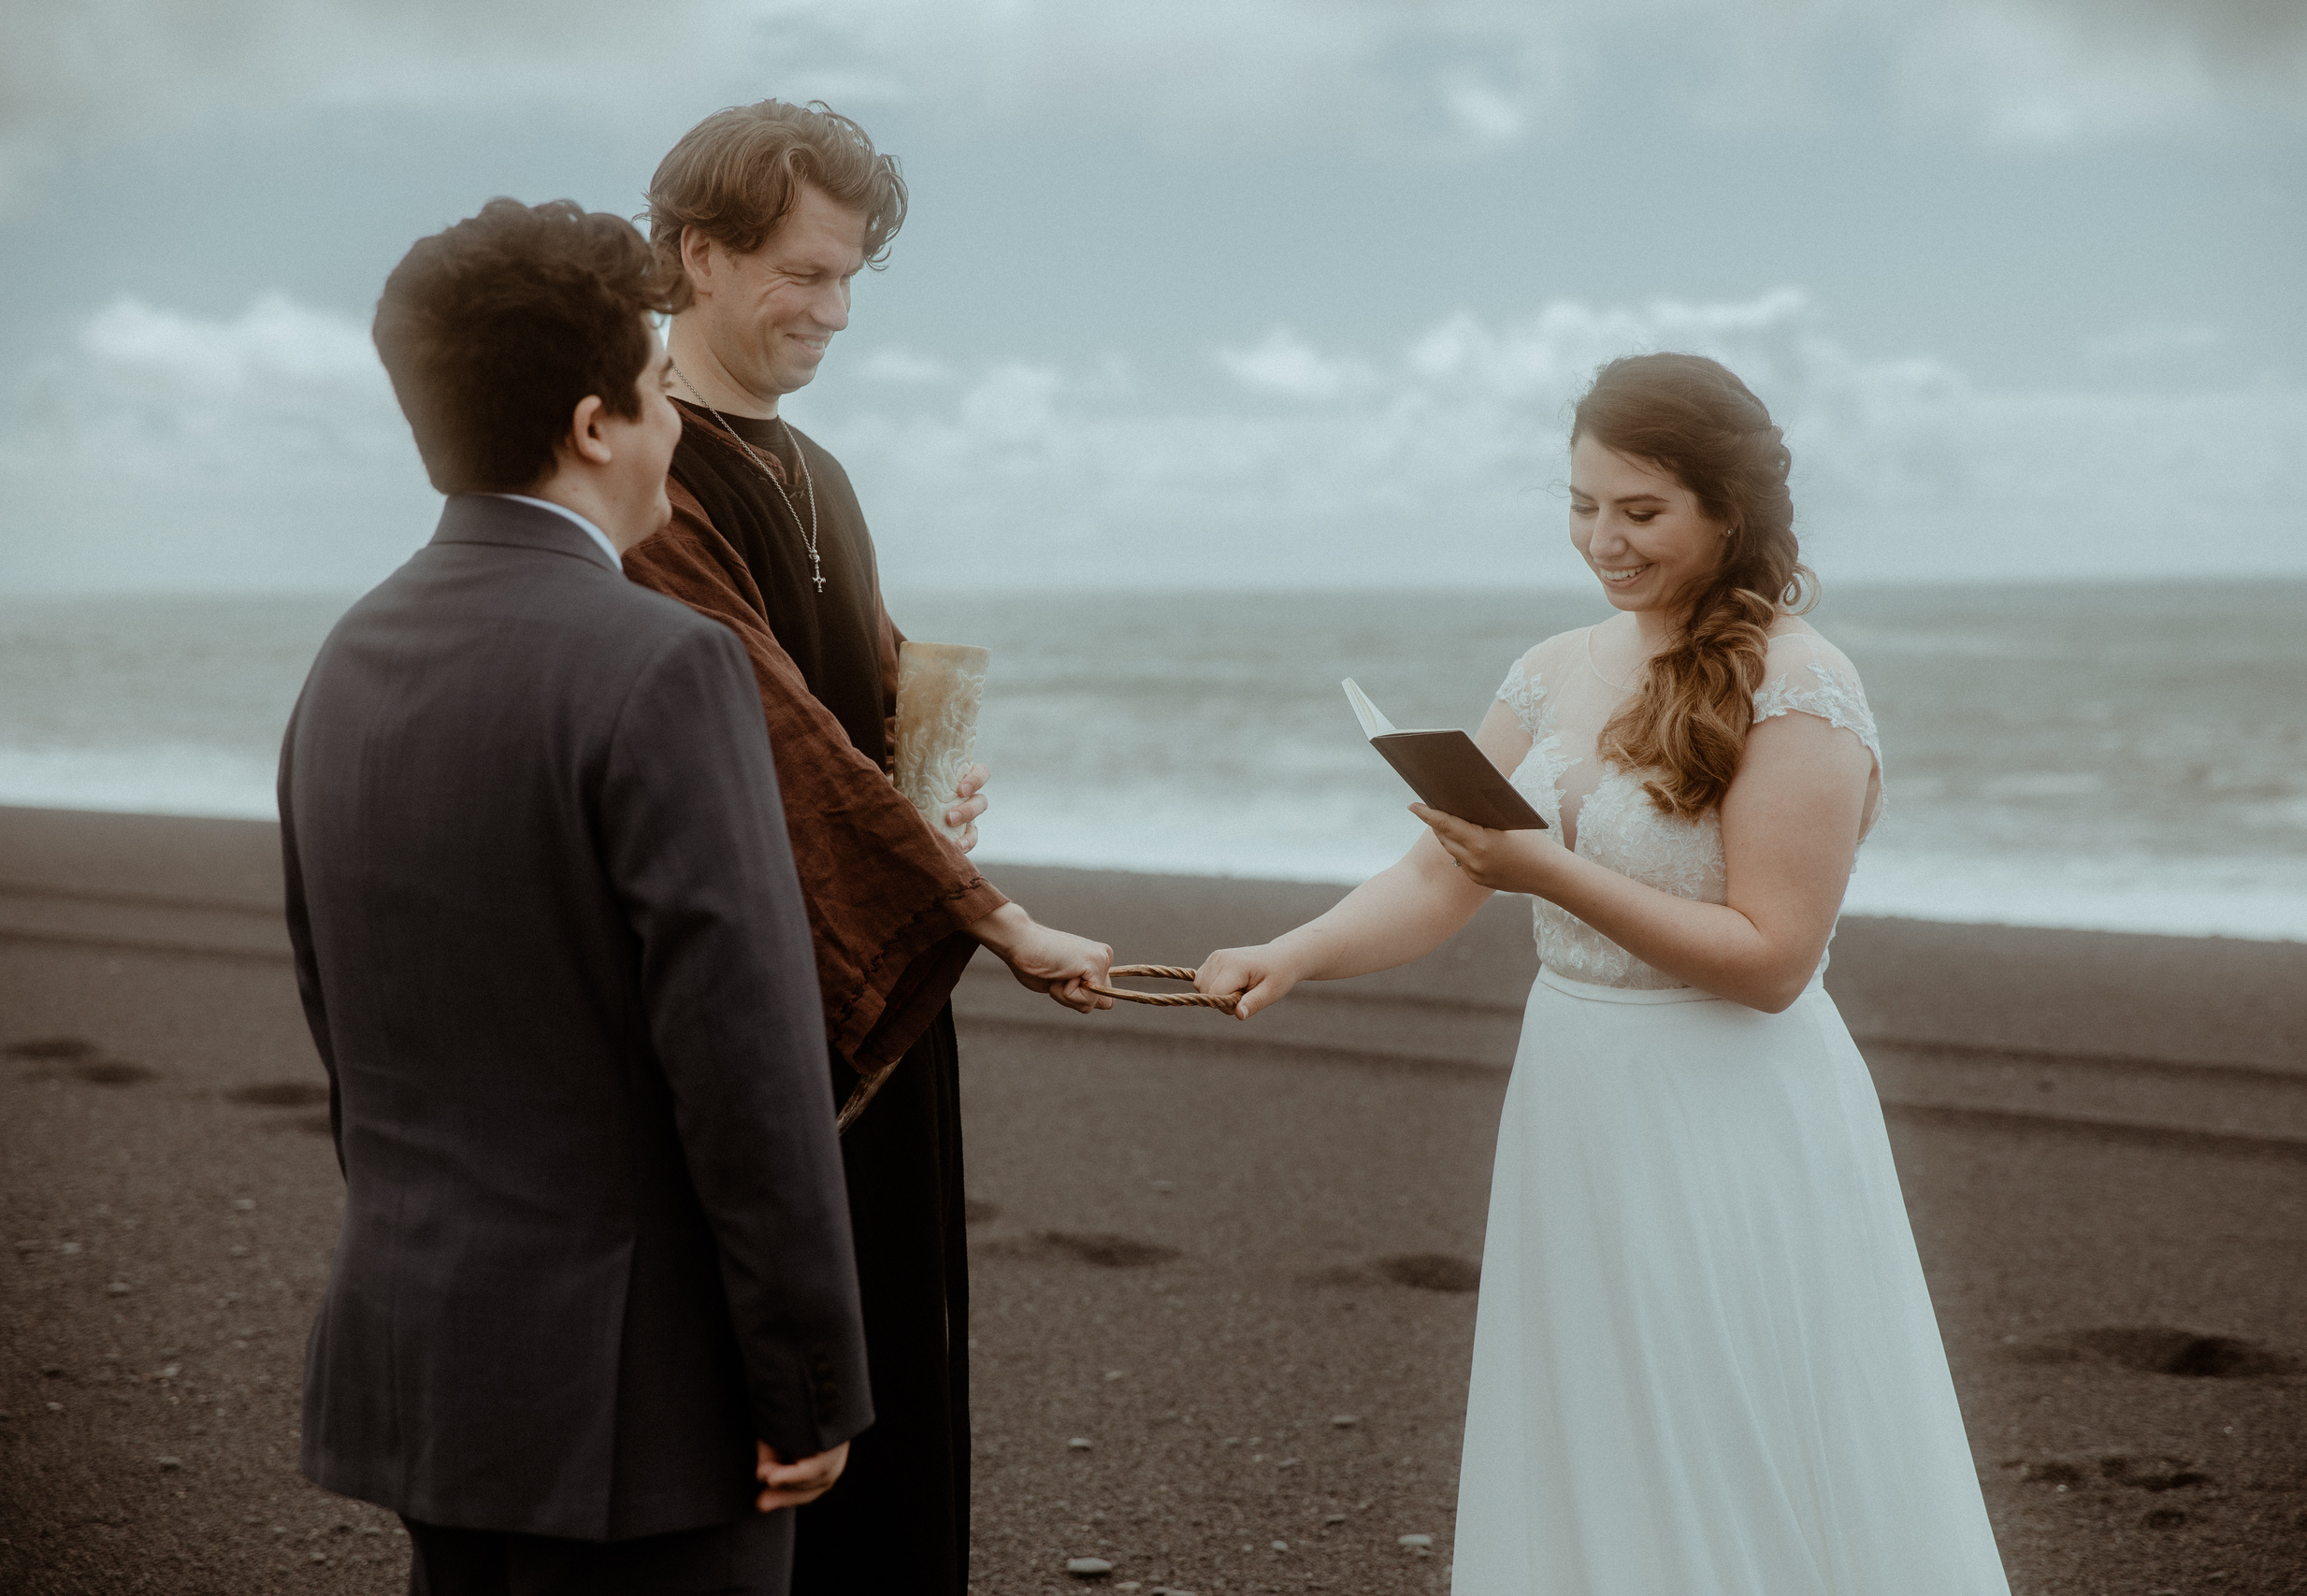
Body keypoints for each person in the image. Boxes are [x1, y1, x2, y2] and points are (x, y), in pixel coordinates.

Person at [1198, 353, 2012, 1593]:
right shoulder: (1552, 669)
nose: (1603, 541)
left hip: (1733, 1108)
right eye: (1582, 504)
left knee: (1729, 1435)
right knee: (1599, 1430)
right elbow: (1437, 879)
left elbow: (1773, 962)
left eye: (1641, 512)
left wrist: (1548, 871)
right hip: (1577, 1095)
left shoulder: (1801, 685)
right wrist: (1293, 953)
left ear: (1727, 511)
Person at [281, 197, 869, 1593]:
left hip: (425, 1363)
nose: (677, 423)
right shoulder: (663, 665)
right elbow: (746, 1059)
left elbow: (344, 1029)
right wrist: (806, 1377)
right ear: (600, 424)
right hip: (644, 1402)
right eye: (662, 391)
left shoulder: (348, 655)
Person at [623, 100, 1115, 1591]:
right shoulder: (646, 467)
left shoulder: (816, 468)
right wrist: (995, 916)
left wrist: (937, 782)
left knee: (901, 1342)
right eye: (802, 274)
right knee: (773, 1384)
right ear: (698, 257)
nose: (833, 312)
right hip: (752, 991)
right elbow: (767, 733)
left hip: (886, 966)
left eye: (850, 280)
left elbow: (875, 693)